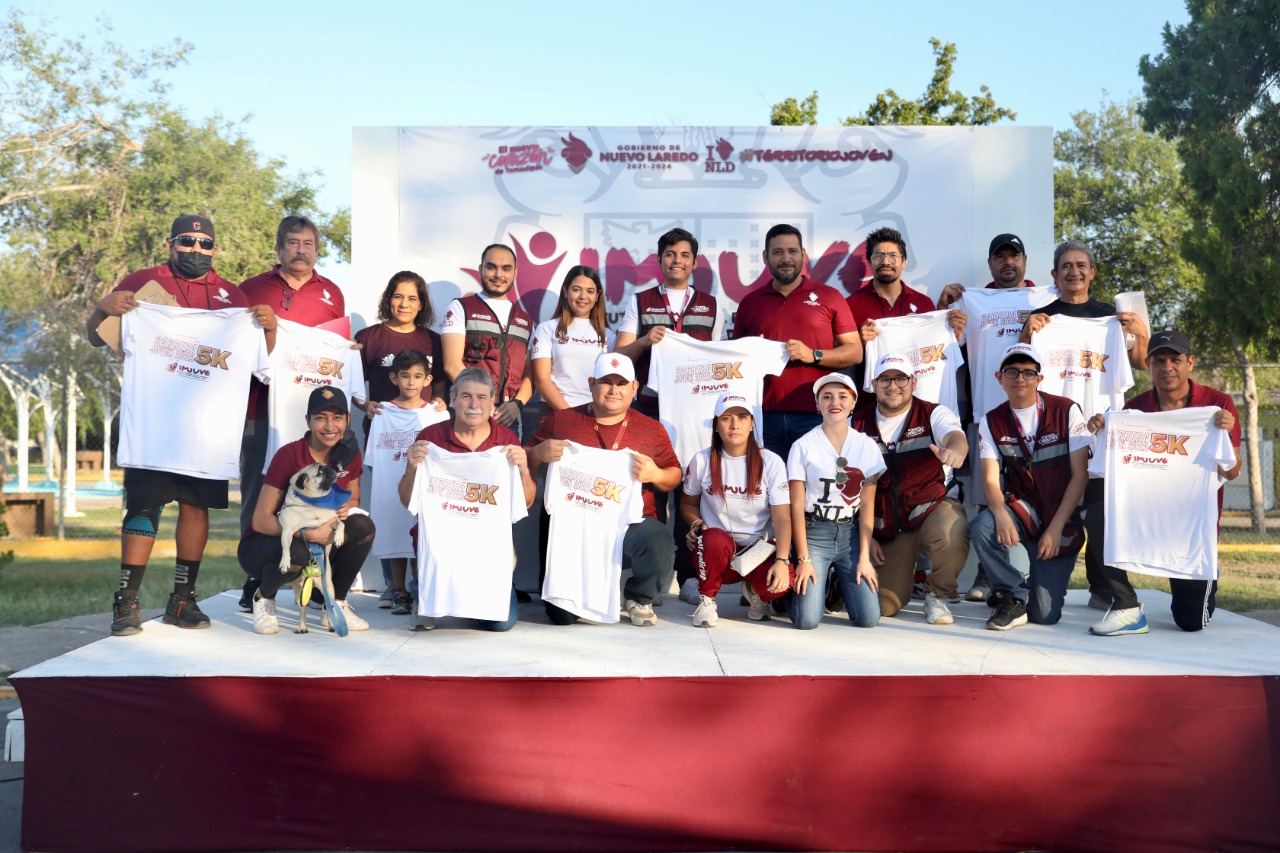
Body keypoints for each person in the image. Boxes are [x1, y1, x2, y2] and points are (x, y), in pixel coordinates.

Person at [86, 214, 261, 636]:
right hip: (153, 424)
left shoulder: (232, 299)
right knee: (144, 507)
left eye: (204, 244)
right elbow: (97, 337)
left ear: (215, 249)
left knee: (195, 507)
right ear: (171, 243)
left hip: (207, 431)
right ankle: (125, 603)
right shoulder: (143, 283)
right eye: (187, 241)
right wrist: (100, 309)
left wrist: (266, 328)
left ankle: (182, 600)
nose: (195, 250)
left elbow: (260, 361)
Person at [1019, 240, 1150, 612]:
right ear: (1054, 274)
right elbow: (1020, 365)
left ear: (1092, 272)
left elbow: (1139, 365)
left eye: (1081, 265)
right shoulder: (1042, 319)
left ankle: (1101, 585)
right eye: (1066, 266)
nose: (1073, 272)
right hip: (1053, 427)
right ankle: (1035, 578)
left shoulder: (1111, 318)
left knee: (1099, 508)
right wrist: (1028, 334)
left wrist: (1140, 334)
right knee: (1049, 500)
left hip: (1102, 426)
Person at [1086, 330, 1242, 635]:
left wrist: (1227, 430)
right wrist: (1104, 428)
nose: (1167, 367)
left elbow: (1232, 471)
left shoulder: (1216, 404)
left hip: (1191, 525)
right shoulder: (1134, 409)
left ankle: (1206, 574)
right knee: (1097, 511)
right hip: (1144, 513)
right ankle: (1126, 605)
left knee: (1189, 622)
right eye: (1159, 360)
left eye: (1175, 359)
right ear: (1148, 364)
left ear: (1190, 363)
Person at [237, 216, 346, 606]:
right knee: (259, 493)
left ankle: (312, 576)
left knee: (315, 494)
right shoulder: (250, 290)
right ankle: (256, 574)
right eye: (293, 243)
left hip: (315, 419)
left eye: (308, 244)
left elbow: (334, 352)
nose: (301, 250)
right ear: (279, 248)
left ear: (317, 249)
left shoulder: (332, 293)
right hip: (260, 409)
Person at [528, 353, 680, 627]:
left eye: (621, 383)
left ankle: (639, 596)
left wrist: (655, 474)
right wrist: (538, 452)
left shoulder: (652, 429)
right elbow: (526, 457)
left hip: (629, 524)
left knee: (658, 541)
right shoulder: (562, 421)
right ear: (591, 383)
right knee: (561, 617)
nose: (613, 390)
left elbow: (674, 474)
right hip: (575, 525)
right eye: (605, 382)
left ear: (634, 388)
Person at [398, 367, 536, 632]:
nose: (474, 405)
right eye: (466, 396)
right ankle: (422, 590)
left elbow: (526, 504)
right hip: (442, 547)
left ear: (493, 401)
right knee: (431, 612)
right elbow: (408, 501)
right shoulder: (430, 439)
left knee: (500, 624)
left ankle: (473, 596)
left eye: (482, 398)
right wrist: (413, 468)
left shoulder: (506, 441)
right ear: (452, 398)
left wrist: (523, 469)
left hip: (485, 552)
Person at [969, 344, 1092, 630]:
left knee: (1044, 615)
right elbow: (989, 479)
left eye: (1028, 372)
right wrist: (999, 514)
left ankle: (1030, 592)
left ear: (1039, 378)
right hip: (1023, 509)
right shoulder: (991, 420)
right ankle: (1012, 591)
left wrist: (1056, 527)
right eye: (1012, 371)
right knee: (982, 525)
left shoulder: (1067, 410)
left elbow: (1080, 476)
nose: (1020, 378)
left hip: (1061, 517)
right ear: (1000, 378)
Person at [239, 387, 376, 635]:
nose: (329, 426)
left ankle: (335, 604)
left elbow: (353, 496)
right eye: (321, 417)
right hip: (265, 545)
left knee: (363, 528)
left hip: (319, 533)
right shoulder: (289, 455)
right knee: (298, 551)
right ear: (308, 421)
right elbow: (260, 521)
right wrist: (308, 534)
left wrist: (342, 511)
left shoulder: (349, 452)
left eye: (337, 417)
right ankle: (263, 597)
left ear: (347, 419)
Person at [850, 354, 970, 625]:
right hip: (889, 527)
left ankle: (938, 594)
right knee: (884, 607)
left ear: (913, 382)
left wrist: (955, 450)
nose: (894, 386)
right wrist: (866, 537)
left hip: (930, 510)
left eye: (901, 378)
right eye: (885, 379)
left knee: (952, 530)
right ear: (874, 384)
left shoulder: (934, 412)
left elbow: (954, 436)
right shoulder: (855, 424)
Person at [733, 224, 863, 460]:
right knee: (772, 491)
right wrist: (751, 353)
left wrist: (814, 355)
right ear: (765, 257)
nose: (786, 258)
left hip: (817, 414)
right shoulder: (750, 303)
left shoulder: (829, 296)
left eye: (792, 251)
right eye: (778, 252)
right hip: (764, 416)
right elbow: (735, 365)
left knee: (816, 489)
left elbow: (855, 353)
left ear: (803, 255)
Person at [680, 393, 793, 627]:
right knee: (711, 538)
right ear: (716, 425)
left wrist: (782, 560)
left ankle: (755, 592)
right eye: (726, 418)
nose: (734, 425)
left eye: (742, 418)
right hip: (718, 553)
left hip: (758, 551)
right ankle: (708, 600)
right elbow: (688, 503)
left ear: (752, 424)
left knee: (785, 579)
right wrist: (696, 524)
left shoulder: (771, 462)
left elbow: (782, 516)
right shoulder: (701, 460)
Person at [786, 374, 885, 630]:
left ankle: (839, 580)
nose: (835, 402)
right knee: (807, 621)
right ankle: (789, 594)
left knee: (868, 619)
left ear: (853, 403)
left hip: (850, 534)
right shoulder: (802, 446)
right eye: (826, 397)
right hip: (814, 533)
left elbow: (867, 506)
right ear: (817, 404)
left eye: (843, 396)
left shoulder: (867, 446)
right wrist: (804, 560)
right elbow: (796, 507)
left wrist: (864, 557)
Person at [364, 350, 449, 616]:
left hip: (423, 488)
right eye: (405, 376)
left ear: (428, 379)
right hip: (390, 487)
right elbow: (374, 460)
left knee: (419, 536)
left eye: (417, 376)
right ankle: (399, 590)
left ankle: (418, 588)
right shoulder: (381, 412)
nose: (411, 382)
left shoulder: (438, 414)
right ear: (394, 377)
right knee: (393, 535)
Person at [614, 228, 724, 416]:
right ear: (659, 260)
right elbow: (618, 358)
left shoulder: (711, 305)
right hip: (650, 408)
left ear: (695, 262)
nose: (677, 261)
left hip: (697, 407)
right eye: (670, 254)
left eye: (685, 255)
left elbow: (722, 362)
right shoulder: (640, 301)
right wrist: (643, 341)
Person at [440, 244, 534, 439]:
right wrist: (483, 401)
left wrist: (517, 405)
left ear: (515, 273)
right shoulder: (460, 308)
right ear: (480, 269)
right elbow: (451, 364)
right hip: (469, 414)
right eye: (491, 267)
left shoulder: (525, 321)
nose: (498, 274)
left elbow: (530, 375)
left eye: (506, 268)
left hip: (508, 420)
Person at [354, 271, 444, 429]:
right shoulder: (368, 338)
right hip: (382, 430)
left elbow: (440, 383)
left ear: (421, 304)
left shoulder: (434, 340)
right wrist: (366, 405)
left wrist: (439, 400)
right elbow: (352, 384)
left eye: (412, 298)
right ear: (388, 300)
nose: (404, 304)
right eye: (398, 296)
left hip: (422, 430)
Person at [529, 265, 615, 420]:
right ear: (565, 291)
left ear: (597, 296)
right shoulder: (546, 329)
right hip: (554, 414)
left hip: (596, 416)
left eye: (590, 291)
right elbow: (541, 379)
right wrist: (570, 417)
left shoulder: (609, 336)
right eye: (576, 289)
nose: (583, 296)